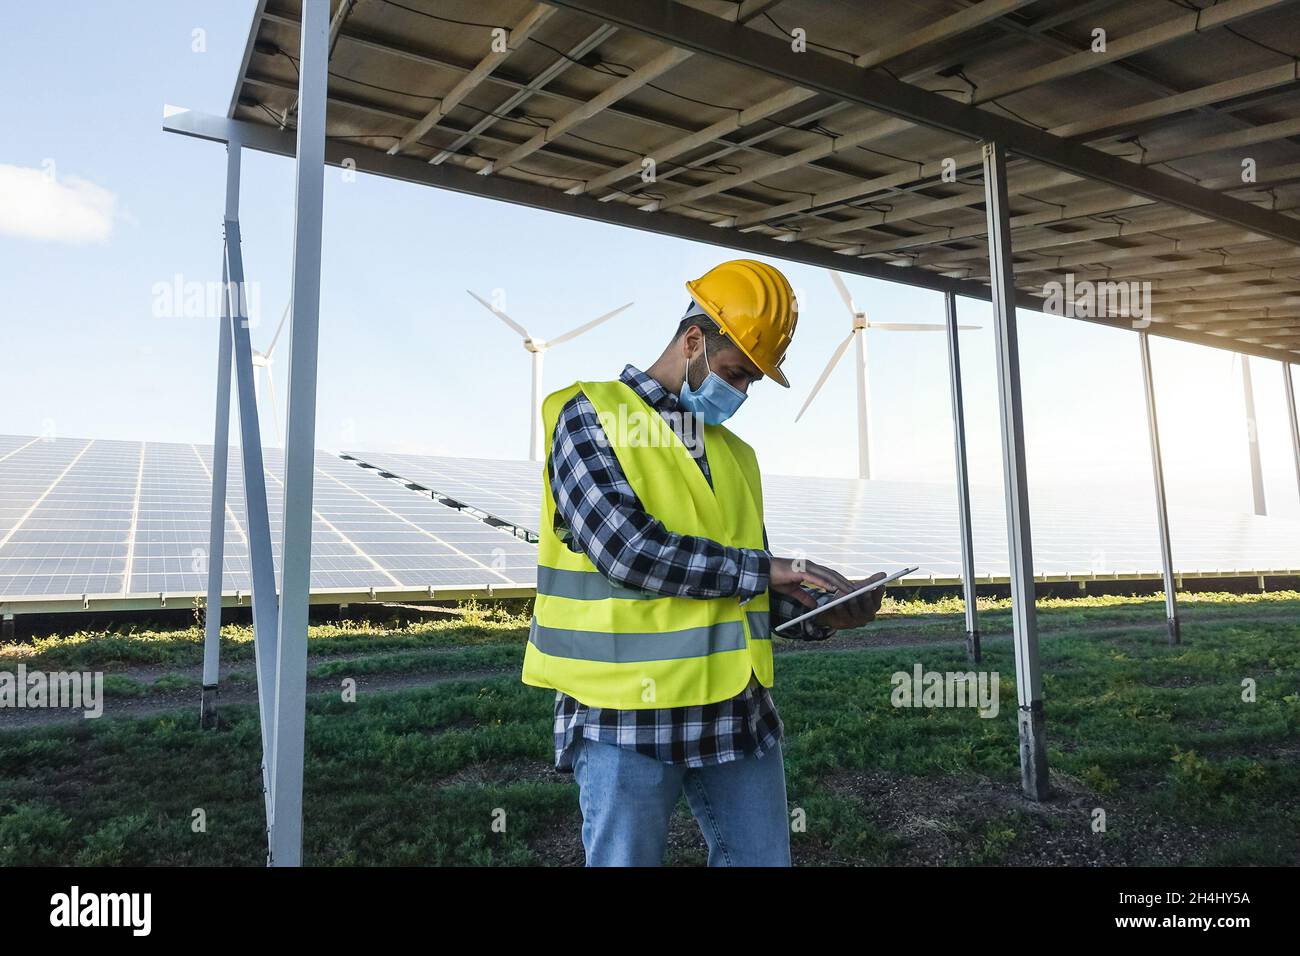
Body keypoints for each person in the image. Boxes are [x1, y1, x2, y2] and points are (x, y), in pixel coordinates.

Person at [522, 258, 885, 867]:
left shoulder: (737, 456)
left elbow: (741, 590)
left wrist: (820, 614)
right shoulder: (589, 415)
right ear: (693, 340)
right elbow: (626, 550)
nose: (740, 393)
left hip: (736, 713)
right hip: (624, 720)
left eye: (751, 383)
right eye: (736, 373)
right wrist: (765, 570)